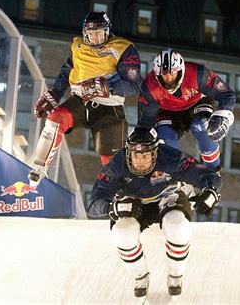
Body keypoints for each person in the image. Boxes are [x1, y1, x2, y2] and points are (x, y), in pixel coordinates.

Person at [87, 126, 222, 300]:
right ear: (128, 153)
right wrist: (112, 208)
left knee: (178, 225)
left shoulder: (171, 158)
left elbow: (208, 177)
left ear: (156, 153)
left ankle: (176, 274)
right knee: (122, 232)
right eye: (136, 156)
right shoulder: (117, 164)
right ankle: (140, 275)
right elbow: (95, 202)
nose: (140, 161)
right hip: (132, 201)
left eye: (145, 156)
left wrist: (211, 193)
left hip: (167, 194)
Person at [28, 12, 141, 186]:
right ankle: (39, 168)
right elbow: (67, 72)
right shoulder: (78, 46)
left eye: (99, 33)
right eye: (91, 33)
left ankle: (122, 195)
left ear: (107, 32)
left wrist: (107, 86)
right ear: (85, 33)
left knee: (111, 160)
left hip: (109, 106)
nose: (95, 37)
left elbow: (133, 84)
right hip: (80, 100)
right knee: (55, 118)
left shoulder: (123, 48)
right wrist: (55, 94)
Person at [137, 48, 236, 172]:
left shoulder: (197, 74)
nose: (169, 79)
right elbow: (146, 121)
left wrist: (222, 115)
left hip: (196, 104)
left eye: (172, 73)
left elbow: (226, 94)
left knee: (202, 127)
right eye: (164, 75)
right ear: (157, 75)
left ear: (181, 70)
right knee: (165, 138)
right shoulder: (148, 87)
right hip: (166, 112)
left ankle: (213, 171)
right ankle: (174, 178)